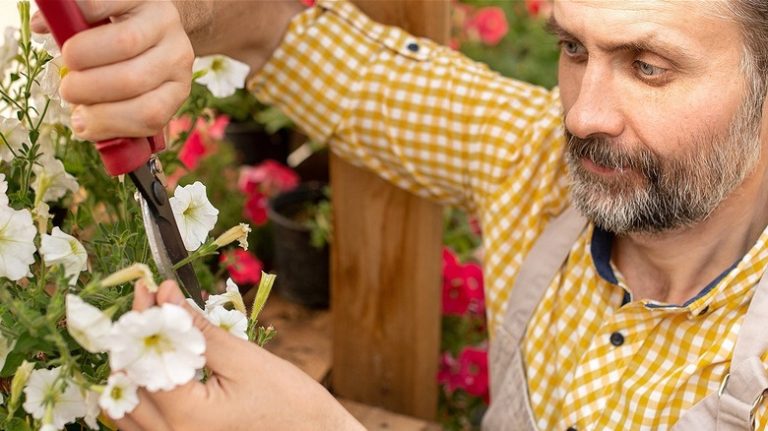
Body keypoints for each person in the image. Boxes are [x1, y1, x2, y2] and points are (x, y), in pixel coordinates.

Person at [32, 0, 768, 429]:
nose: (582, 114)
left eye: (648, 66)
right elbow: (307, 44)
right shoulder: (533, 159)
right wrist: (161, 16)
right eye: (575, 49)